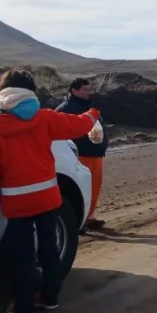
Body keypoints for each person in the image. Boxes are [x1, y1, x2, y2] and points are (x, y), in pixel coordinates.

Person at [0, 69, 101, 313]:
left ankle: (24, 306)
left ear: (2, 92)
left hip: (17, 200)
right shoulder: (45, 117)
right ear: (30, 91)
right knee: (49, 248)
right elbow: (77, 125)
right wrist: (92, 114)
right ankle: (50, 298)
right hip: (47, 195)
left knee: (23, 255)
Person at [55, 77, 108, 230]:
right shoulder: (65, 109)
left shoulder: (91, 106)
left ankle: (89, 217)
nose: (88, 92)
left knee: (94, 187)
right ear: (74, 90)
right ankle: (78, 220)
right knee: (79, 189)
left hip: (96, 154)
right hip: (79, 155)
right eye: (84, 89)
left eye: (89, 89)